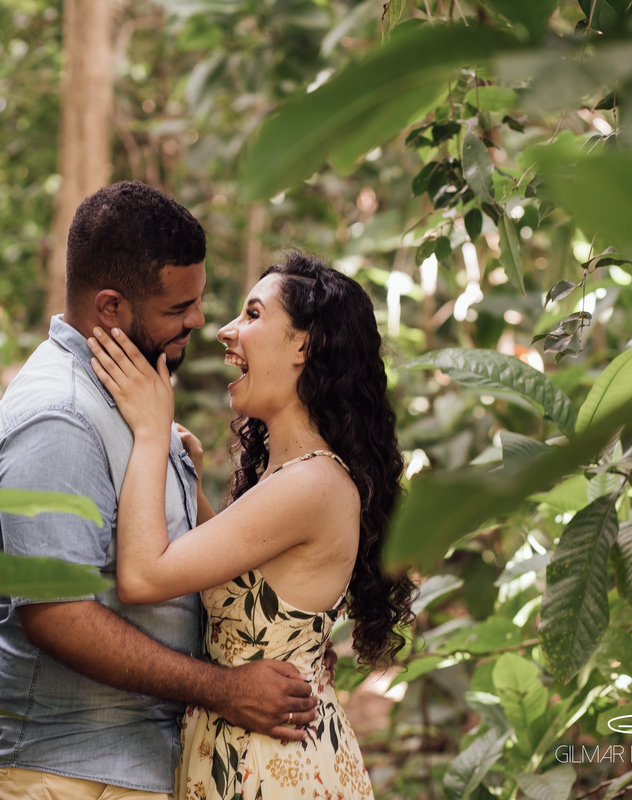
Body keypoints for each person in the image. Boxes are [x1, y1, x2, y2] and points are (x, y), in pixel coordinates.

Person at [0, 183, 321, 800]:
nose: (198, 321)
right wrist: (224, 689)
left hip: (126, 761)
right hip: (68, 767)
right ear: (111, 307)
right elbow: (59, 615)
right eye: (176, 308)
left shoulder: (132, 396)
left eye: (199, 300)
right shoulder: (62, 416)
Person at [87, 253, 416, 800]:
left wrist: (150, 433)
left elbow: (143, 578)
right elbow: (242, 582)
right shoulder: (296, 477)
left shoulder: (311, 484)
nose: (225, 331)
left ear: (303, 346)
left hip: (272, 768)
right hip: (249, 755)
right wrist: (186, 482)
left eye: (253, 315)